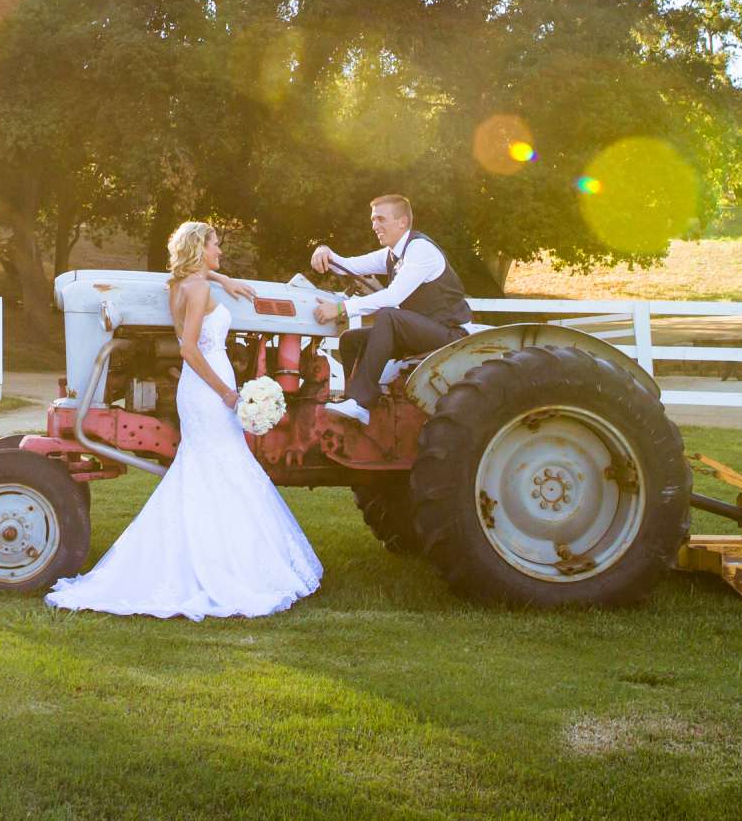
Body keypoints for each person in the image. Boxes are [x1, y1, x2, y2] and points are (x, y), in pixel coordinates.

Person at [45, 221, 321, 620]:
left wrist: (227, 279)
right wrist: (226, 392)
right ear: (200, 248)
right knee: (222, 469)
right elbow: (189, 350)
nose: (220, 252)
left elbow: (199, 281)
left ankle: (213, 552)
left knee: (211, 470)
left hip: (199, 389)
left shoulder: (181, 283)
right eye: (215, 246)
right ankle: (226, 565)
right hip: (208, 387)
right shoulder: (199, 288)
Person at [309, 193, 474, 428]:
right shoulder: (392, 254)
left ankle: (360, 401)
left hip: (451, 334)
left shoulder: (420, 250)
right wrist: (324, 250)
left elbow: (394, 296)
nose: (374, 226)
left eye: (380, 219)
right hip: (423, 331)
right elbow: (349, 265)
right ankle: (355, 404)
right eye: (373, 220)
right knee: (350, 340)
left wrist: (340, 308)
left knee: (389, 316)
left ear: (402, 222)